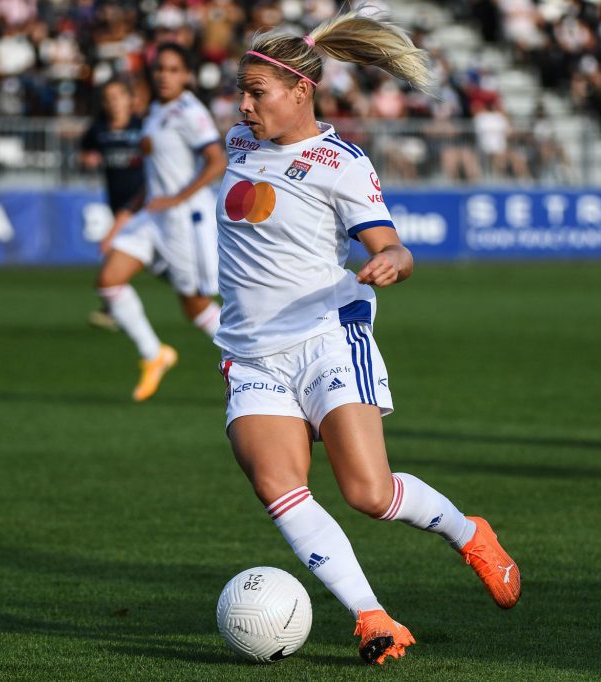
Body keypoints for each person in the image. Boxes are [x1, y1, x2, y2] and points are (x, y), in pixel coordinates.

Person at [215, 11, 521, 666]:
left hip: (326, 338)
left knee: (369, 495)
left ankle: (470, 533)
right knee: (280, 488)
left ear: (302, 92)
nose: (244, 105)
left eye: (256, 93)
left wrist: (392, 263)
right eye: (240, 92)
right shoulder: (239, 144)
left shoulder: (342, 164)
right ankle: (371, 616)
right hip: (249, 355)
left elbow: (392, 246)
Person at [94, 44, 227, 402]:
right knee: (109, 280)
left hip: (187, 219)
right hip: (153, 217)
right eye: (160, 69)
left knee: (195, 305)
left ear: (186, 75)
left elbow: (217, 161)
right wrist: (122, 220)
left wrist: (178, 197)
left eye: (173, 69)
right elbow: (153, 180)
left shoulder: (189, 111)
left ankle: (249, 359)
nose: (165, 76)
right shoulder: (155, 110)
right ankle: (154, 354)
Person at [80, 78, 146, 333]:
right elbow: (85, 150)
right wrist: (88, 159)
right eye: (108, 98)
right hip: (116, 202)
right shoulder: (98, 129)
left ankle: (112, 309)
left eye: (118, 96)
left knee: (111, 247)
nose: (113, 102)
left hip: (141, 203)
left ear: (131, 100)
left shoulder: (142, 127)